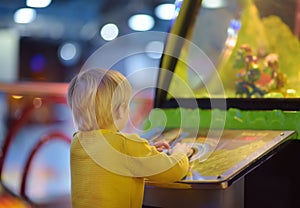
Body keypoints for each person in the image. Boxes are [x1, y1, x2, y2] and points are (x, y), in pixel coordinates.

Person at [67, 68, 190, 208]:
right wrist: (180, 152)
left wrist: (147, 149)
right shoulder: (126, 146)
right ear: (120, 111)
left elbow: (115, 161)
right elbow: (173, 171)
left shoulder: (78, 142)